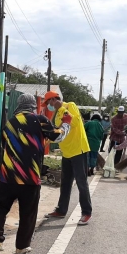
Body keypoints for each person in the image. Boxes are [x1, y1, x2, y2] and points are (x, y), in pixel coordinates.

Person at [0, 94, 64, 254]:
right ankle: (21, 247)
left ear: (19, 105)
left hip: (8, 177)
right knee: (28, 214)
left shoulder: (10, 123)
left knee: (0, 209)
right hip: (30, 178)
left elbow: (4, 146)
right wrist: (66, 124)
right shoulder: (40, 120)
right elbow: (57, 136)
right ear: (33, 106)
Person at [43, 92, 93, 225]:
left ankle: (86, 212)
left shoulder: (70, 106)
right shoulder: (55, 114)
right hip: (66, 153)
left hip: (78, 150)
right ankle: (61, 210)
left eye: (48, 103)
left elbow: (75, 122)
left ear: (54, 100)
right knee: (65, 183)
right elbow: (57, 132)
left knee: (81, 183)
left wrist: (62, 108)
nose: (48, 106)